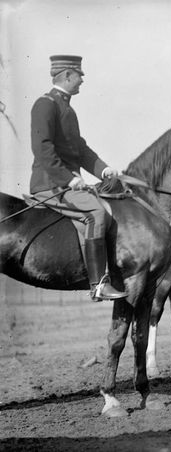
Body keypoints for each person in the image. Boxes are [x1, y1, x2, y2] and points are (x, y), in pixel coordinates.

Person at [30, 55, 126, 301]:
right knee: (96, 213)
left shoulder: (67, 108)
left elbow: (80, 150)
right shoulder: (45, 104)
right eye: (79, 75)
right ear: (67, 75)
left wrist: (104, 170)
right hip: (50, 185)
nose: (82, 80)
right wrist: (69, 179)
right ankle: (98, 284)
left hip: (65, 183)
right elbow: (42, 148)